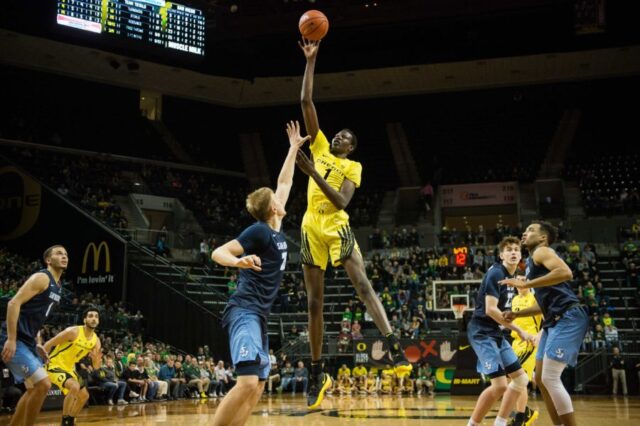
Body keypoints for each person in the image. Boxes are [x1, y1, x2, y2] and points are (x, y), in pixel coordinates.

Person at [297, 38, 410, 410]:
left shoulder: (351, 167)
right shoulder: (320, 146)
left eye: (348, 138)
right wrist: (311, 62)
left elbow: (343, 200)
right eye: (340, 133)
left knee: (361, 283)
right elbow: (306, 103)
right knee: (314, 303)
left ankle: (392, 345)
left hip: (337, 223)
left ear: (352, 148)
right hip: (310, 225)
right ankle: (318, 372)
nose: (341, 136)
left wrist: (314, 173)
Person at [211, 121, 308, 426]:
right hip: (245, 311)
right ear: (273, 209)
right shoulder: (259, 231)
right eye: (278, 198)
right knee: (248, 382)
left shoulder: (274, 229)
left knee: (260, 385)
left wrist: (293, 149)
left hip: (259, 315)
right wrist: (238, 263)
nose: (283, 197)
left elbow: (285, 181)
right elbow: (219, 253)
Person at [501, 221, 589, 426]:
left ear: (542, 237)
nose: (525, 232)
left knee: (550, 378)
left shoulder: (541, 251)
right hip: (552, 319)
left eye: (530, 230)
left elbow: (566, 272)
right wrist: (517, 313)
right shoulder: (533, 261)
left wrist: (527, 284)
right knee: (540, 380)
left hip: (568, 316)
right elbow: (543, 305)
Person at [466, 237, 532, 426]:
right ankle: (473, 424)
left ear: (520, 255)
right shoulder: (496, 273)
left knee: (521, 380)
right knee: (500, 385)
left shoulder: (513, 278)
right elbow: (490, 310)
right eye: (508, 250)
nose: (513, 252)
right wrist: (519, 330)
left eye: (516, 250)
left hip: (495, 331)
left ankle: (500, 423)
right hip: (481, 331)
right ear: (501, 255)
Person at [0, 245, 66, 426]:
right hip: (14, 337)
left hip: (28, 341)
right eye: (59, 253)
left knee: (31, 390)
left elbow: (36, 318)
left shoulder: (59, 287)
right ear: (48, 260)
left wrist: (37, 342)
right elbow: (13, 304)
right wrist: (11, 339)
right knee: (43, 385)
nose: (64, 256)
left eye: (66, 254)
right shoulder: (42, 277)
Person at [43, 306, 102, 425]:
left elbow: (96, 367)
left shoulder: (96, 341)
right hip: (54, 365)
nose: (94, 319)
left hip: (70, 369)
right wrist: (39, 363)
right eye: (90, 316)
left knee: (84, 396)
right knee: (74, 386)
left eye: (96, 317)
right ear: (84, 319)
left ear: (99, 321)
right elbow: (49, 343)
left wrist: (96, 360)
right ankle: (65, 421)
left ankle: (71, 419)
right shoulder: (73, 332)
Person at [509, 285, 542, 425]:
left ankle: (521, 419)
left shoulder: (535, 299)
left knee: (519, 379)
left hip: (529, 342)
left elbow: (549, 318)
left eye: (524, 280)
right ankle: (526, 413)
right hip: (516, 342)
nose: (521, 282)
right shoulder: (514, 299)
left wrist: (539, 335)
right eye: (519, 280)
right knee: (509, 380)